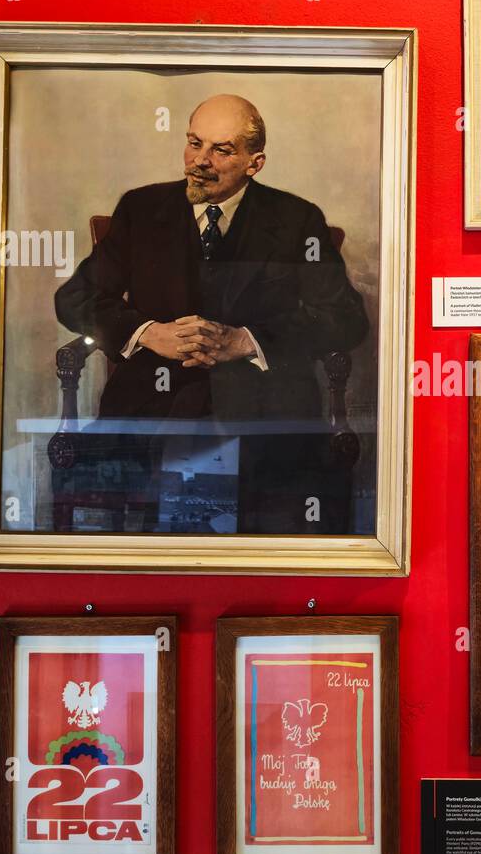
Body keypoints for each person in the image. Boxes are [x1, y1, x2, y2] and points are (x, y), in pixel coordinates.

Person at [54, 94, 369, 533]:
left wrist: (247, 340)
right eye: (193, 143)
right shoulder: (142, 210)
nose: (200, 161)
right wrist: (147, 332)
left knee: (283, 509)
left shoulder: (297, 219)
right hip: (151, 405)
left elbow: (345, 317)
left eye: (221, 150)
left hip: (262, 410)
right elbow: (75, 297)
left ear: (254, 162)